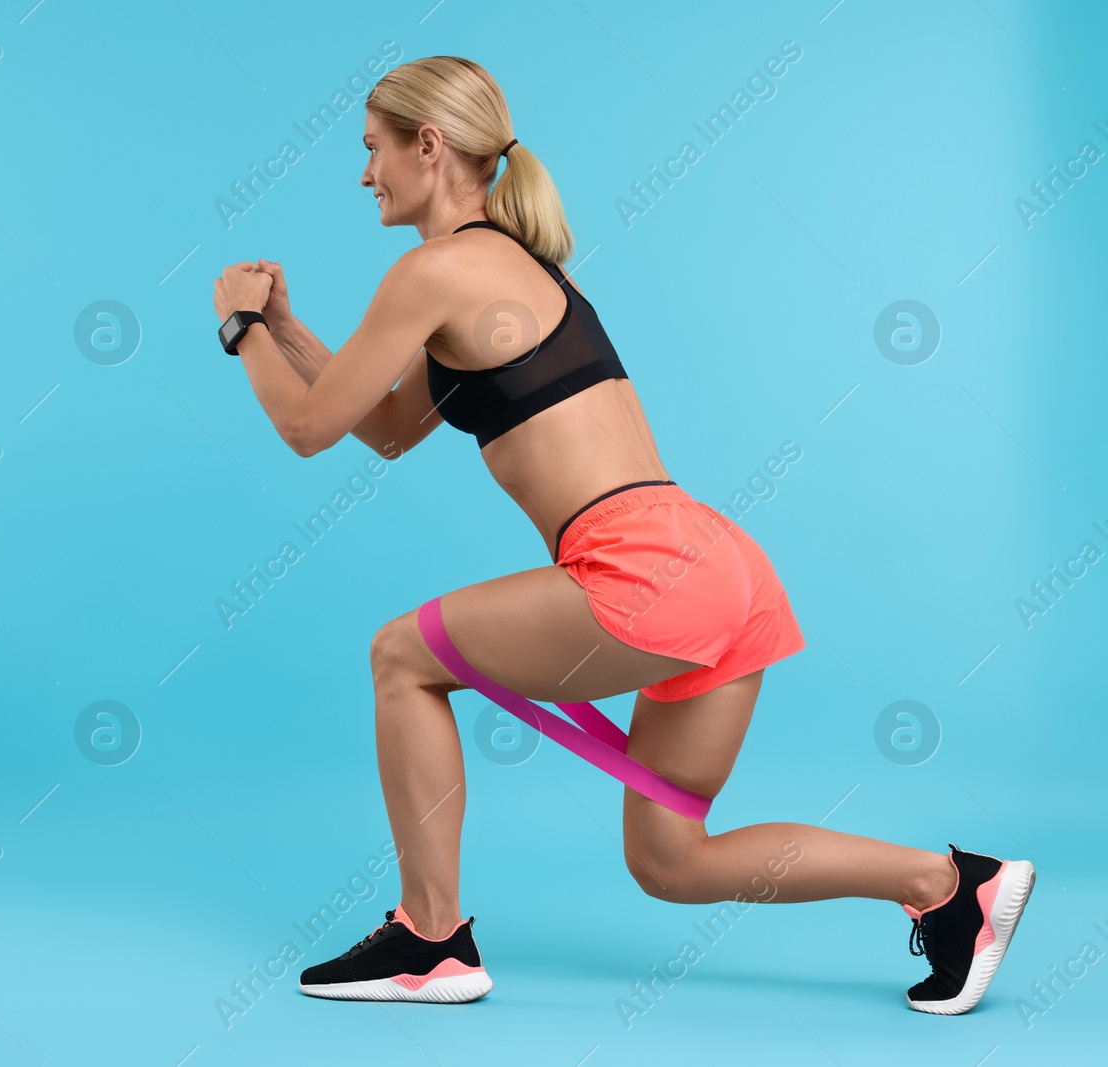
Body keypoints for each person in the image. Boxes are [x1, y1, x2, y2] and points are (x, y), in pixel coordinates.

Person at [210, 55, 1033, 1014]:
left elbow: (310, 430)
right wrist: (286, 325)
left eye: (372, 151)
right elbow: (384, 426)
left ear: (427, 145)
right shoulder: (515, 270)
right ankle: (948, 885)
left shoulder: (431, 270)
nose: (364, 176)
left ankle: (430, 937)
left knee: (400, 655)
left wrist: (237, 327)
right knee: (670, 860)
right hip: (722, 566)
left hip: (640, 568)